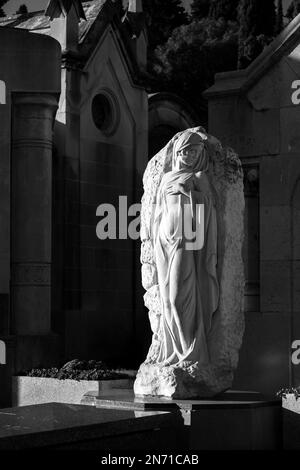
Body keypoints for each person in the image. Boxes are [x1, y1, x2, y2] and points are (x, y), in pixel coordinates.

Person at [152, 130, 219, 366]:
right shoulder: (167, 178)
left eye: (195, 151)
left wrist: (190, 193)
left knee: (178, 298)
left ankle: (191, 353)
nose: (190, 155)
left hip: (185, 240)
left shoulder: (199, 176)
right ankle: (175, 353)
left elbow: (208, 210)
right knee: (166, 301)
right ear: (179, 152)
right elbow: (158, 212)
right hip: (164, 241)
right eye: (186, 151)